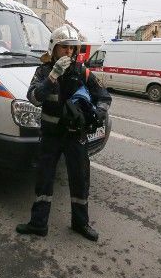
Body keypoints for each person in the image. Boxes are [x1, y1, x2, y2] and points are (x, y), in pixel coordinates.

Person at [16, 24, 111, 242]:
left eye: (72, 49)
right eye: (64, 48)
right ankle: (38, 224)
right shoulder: (43, 71)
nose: (68, 53)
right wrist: (52, 77)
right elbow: (34, 98)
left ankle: (80, 223)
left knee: (80, 179)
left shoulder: (83, 72)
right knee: (44, 179)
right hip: (50, 136)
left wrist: (97, 113)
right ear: (54, 48)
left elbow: (104, 97)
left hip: (75, 136)